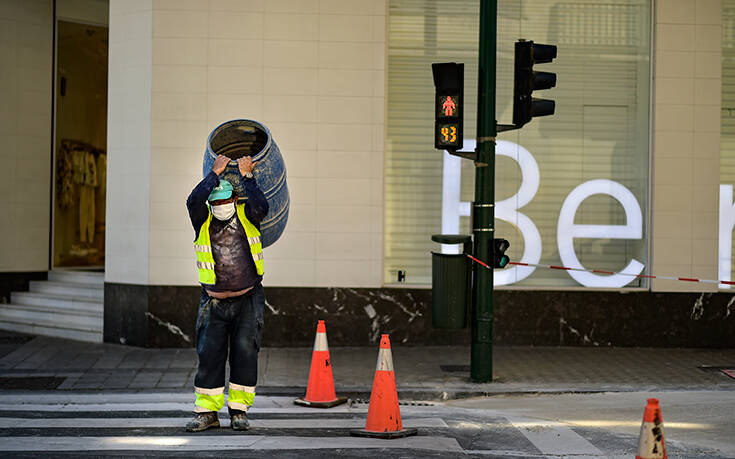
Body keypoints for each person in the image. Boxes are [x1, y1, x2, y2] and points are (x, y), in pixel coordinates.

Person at [184, 154, 269, 432]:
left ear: (234, 201)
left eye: (225, 202)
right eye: (216, 203)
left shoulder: (248, 217)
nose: (221, 207)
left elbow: (262, 206)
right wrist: (214, 174)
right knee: (209, 355)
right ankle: (207, 412)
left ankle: (239, 411)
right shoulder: (203, 221)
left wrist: (247, 176)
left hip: (248, 299)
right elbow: (192, 201)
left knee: (245, 354)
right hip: (214, 301)